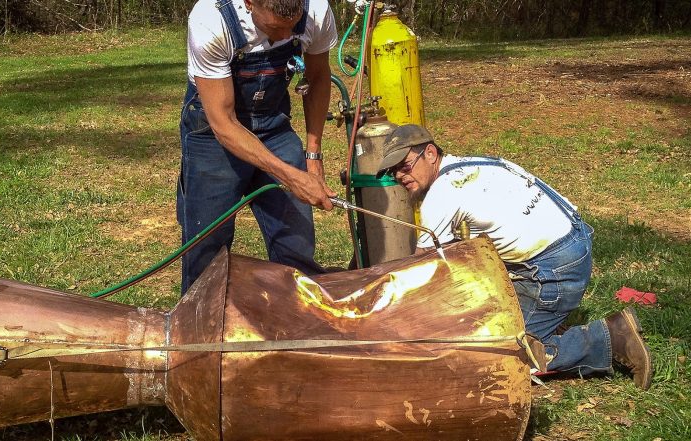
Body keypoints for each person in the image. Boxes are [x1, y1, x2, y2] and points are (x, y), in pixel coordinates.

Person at [375, 124, 654, 390]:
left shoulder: (442, 194)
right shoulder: (474, 163)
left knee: (500, 356)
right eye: (393, 171)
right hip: (574, 242)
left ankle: (607, 340)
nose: (400, 175)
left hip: (553, 270)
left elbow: (422, 268)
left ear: (431, 153)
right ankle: (543, 316)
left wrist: (385, 309)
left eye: (405, 165)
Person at [178, 0, 338, 294]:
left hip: (273, 124)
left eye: (293, 26)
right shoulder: (211, 21)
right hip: (214, 133)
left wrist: (312, 154)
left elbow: (317, 77)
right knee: (207, 251)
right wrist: (291, 176)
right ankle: (200, 330)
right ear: (249, 3)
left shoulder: (316, 9)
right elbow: (224, 124)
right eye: (275, 28)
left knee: (296, 243)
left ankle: (298, 325)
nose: (285, 37)